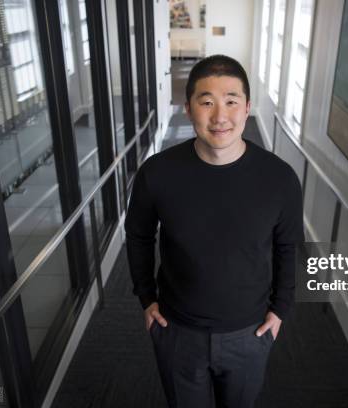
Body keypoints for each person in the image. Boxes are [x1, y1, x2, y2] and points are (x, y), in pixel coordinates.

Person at [125, 54, 304, 408]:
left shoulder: (280, 179)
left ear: (247, 107)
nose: (220, 116)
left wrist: (281, 308)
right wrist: (146, 297)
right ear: (188, 108)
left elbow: (287, 247)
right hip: (177, 330)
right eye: (206, 102)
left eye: (231, 102)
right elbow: (138, 235)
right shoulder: (157, 173)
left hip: (250, 333)